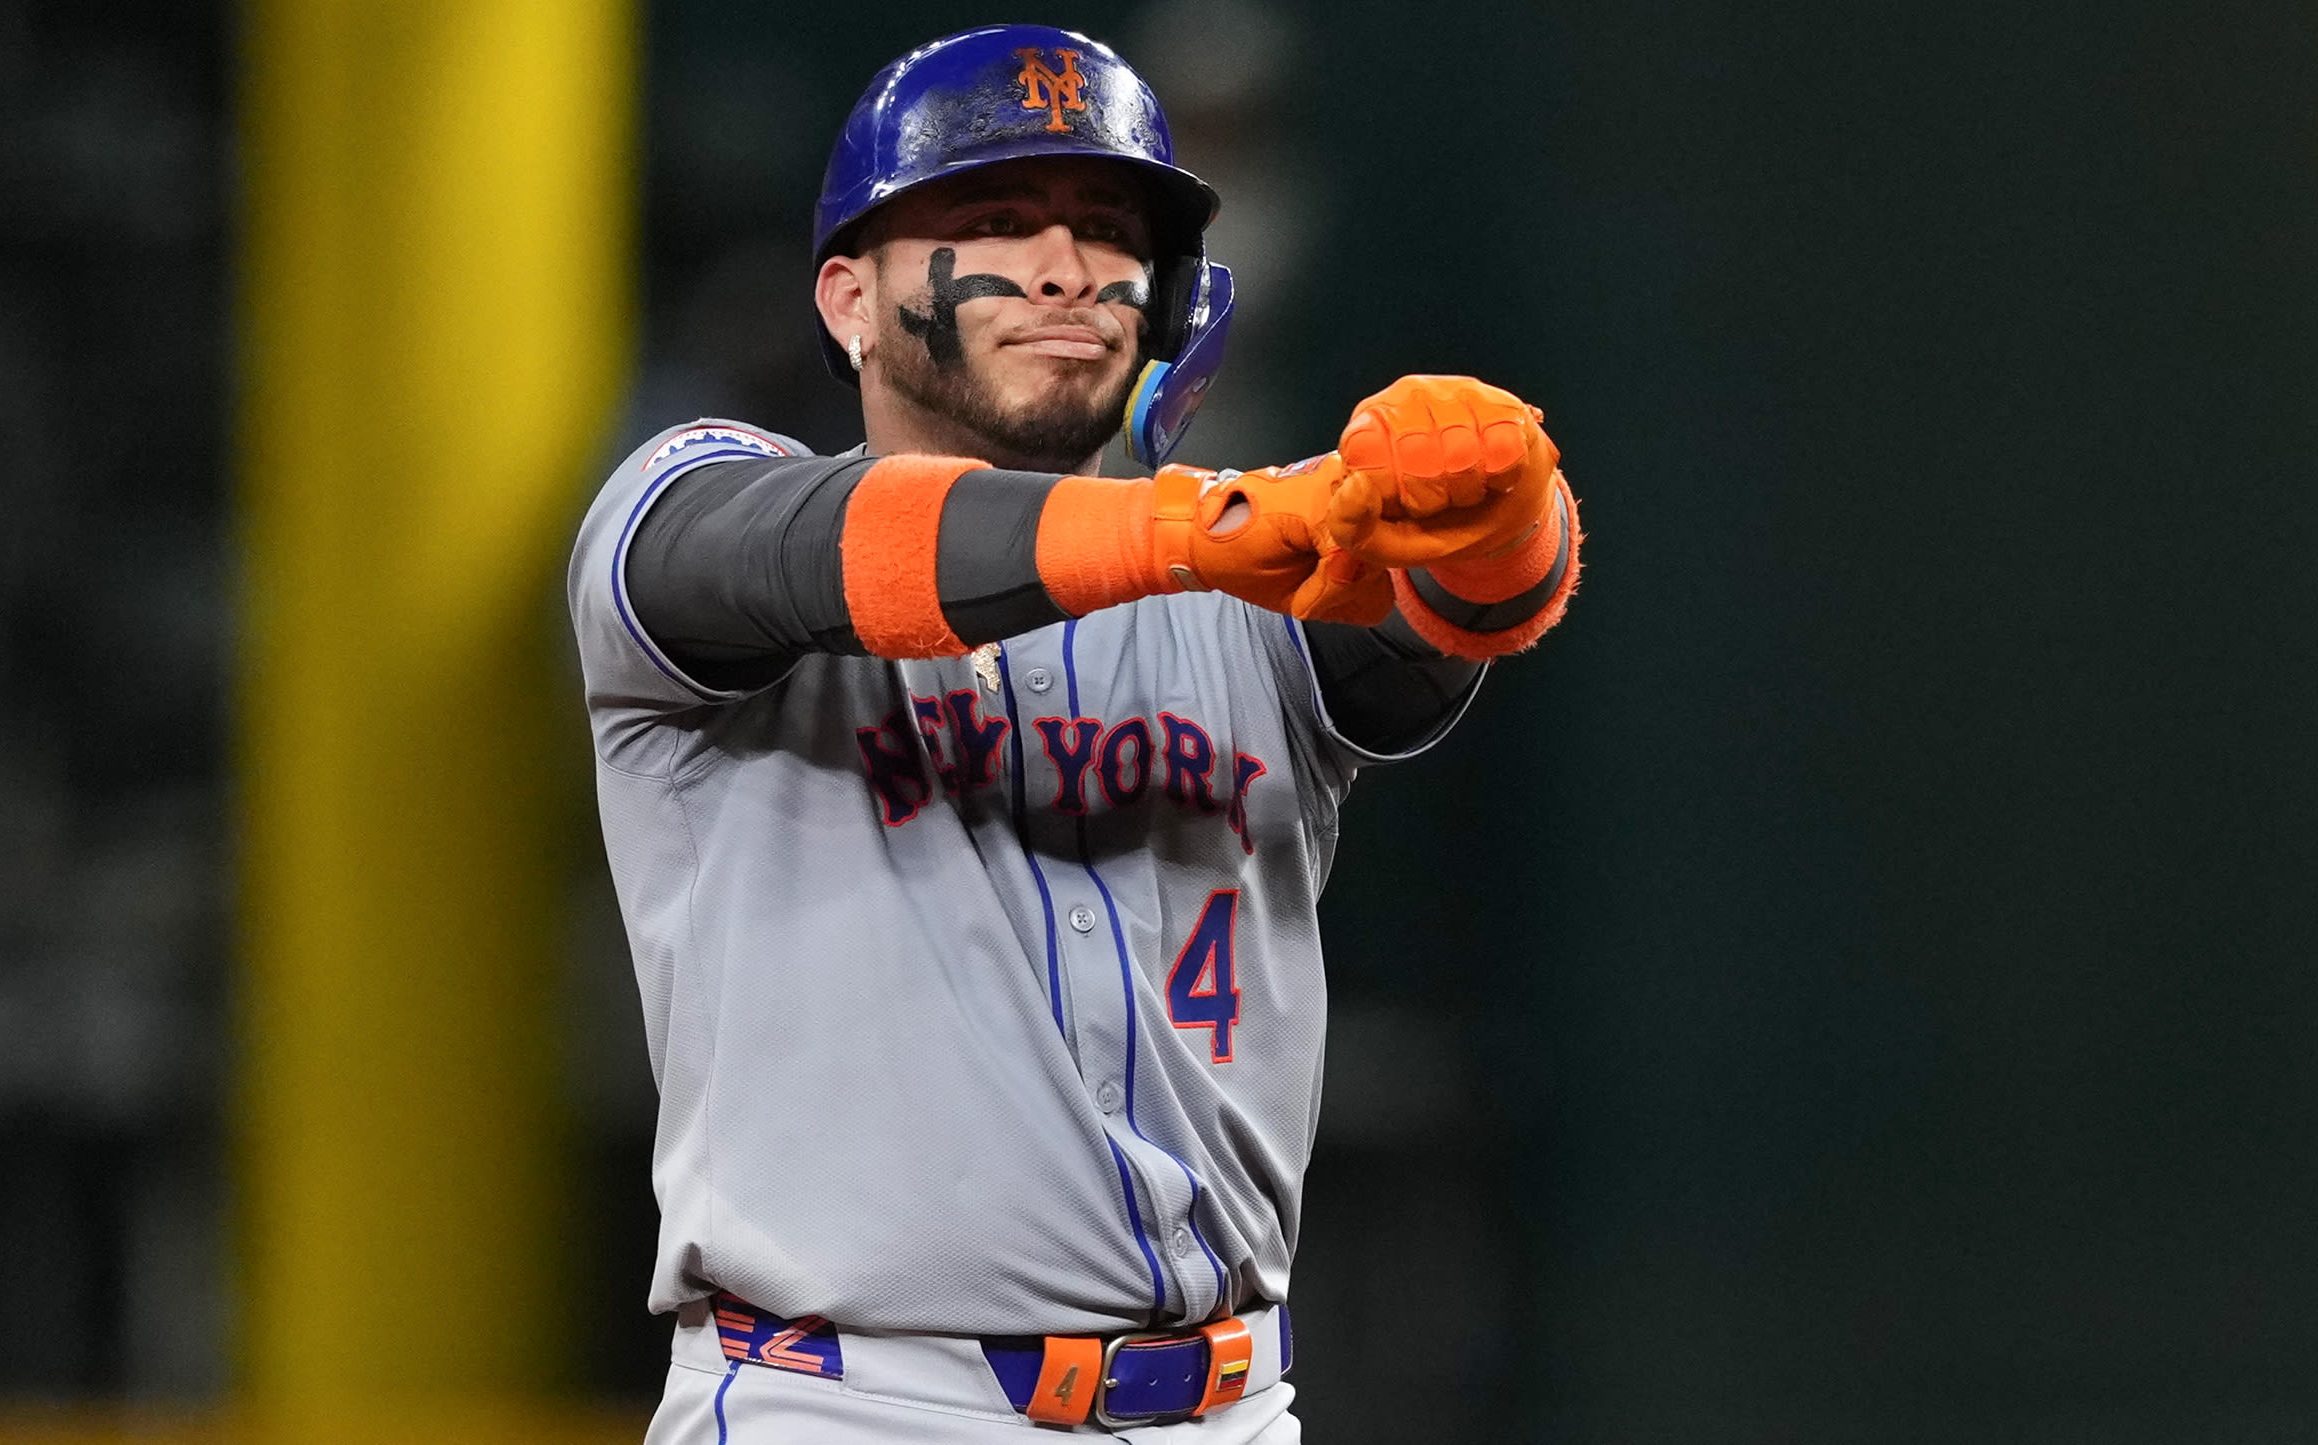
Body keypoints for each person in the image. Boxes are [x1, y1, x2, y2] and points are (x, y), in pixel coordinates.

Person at [568, 24, 1581, 1442]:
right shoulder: (700, 511)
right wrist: (1203, 523)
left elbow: (1469, 606)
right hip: (854, 1404)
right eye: (991, 220)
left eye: (1107, 231)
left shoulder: (1254, 586)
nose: (1061, 264)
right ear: (848, 300)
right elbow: (833, 550)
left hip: (1230, 1406)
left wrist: (1493, 493)